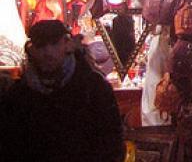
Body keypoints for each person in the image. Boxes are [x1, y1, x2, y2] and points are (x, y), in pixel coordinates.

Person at [0, 19, 124, 162]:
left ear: (67, 45)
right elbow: (10, 145)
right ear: (32, 50)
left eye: (54, 44)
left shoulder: (93, 87)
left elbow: (111, 142)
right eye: (41, 46)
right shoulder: (20, 94)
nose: (48, 52)